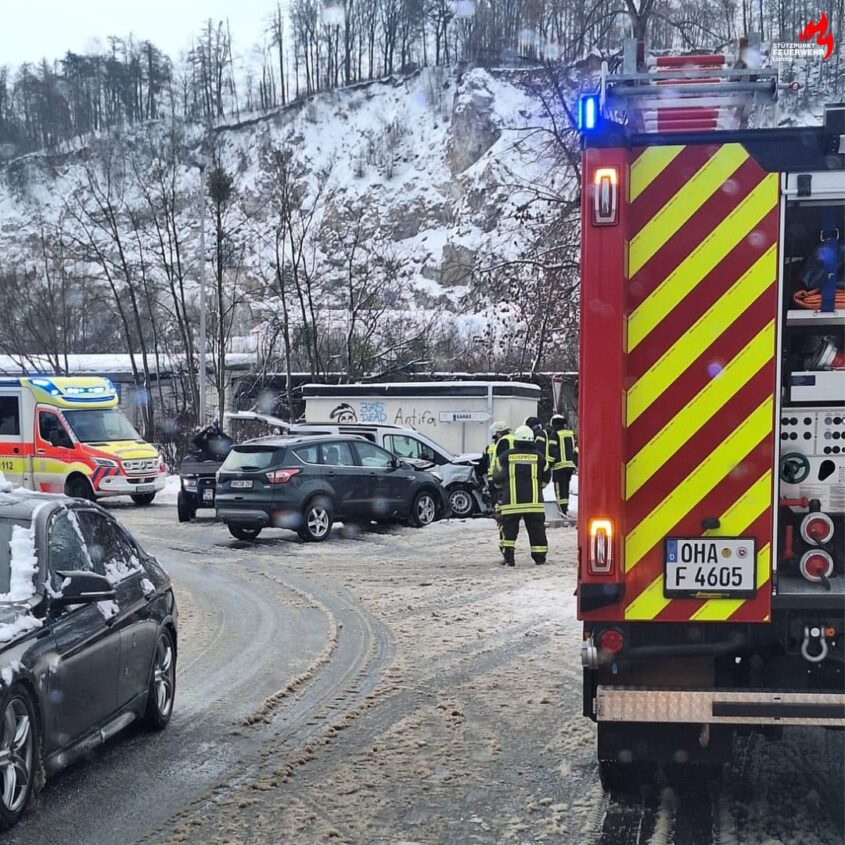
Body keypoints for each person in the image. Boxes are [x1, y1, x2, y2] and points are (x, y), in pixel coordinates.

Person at [492, 425, 551, 566]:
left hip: (511, 504)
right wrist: (539, 488)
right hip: (534, 504)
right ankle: (539, 558)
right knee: (537, 532)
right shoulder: (540, 457)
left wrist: (502, 490)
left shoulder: (504, 457)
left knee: (509, 532)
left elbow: (497, 478)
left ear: (516, 440)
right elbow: (546, 476)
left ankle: (509, 559)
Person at [550, 414, 577, 518]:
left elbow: (552, 451)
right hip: (569, 466)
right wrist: (574, 462)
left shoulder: (555, 435)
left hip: (558, 467)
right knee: (565, 489)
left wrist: (549, 464)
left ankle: (561, 511)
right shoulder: (570, 434)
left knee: (559, 491)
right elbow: (576, 449)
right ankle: (565, 508)